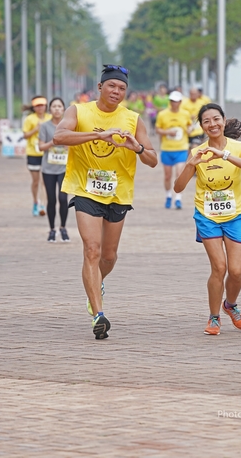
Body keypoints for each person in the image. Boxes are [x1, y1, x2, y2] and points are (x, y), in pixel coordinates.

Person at [54, 64, 157, 340]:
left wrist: (137, 147)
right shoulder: (79, 111)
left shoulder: (133, 119)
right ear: (100, 87)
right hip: (86, 190)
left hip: (118, 193)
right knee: (92, 249)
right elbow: (59, 136)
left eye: (122, 88)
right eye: (112, 85)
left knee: (108, 257)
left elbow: (152, 160)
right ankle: (98, 315)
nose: (116, 91)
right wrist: (97, 134)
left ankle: (96, 285)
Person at [174, 103, 241, 335]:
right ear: (201, 126)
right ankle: (214, 317)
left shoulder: (239, 147)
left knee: (236, 272)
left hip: (235, 216)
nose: (212, 124)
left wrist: (225, 155)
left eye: (216, 119)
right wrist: (190, 165)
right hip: (207, 216)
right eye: (206, 121)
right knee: (219, 268)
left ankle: (230, 304)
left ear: (223, 120)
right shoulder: (197, 152)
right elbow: (178, 187)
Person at [38, 98, 70, 243]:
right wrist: (53, 142)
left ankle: (63, 227)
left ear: (64, 109)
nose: (57, 109)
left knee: (63, 199)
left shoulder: (69, 126)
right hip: (48, 169)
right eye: (54, 106)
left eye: (59, 106)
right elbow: (41, 147)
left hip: (64, 167)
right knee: (51, 199)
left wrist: (67, 144)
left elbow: (74, 145)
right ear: (50, 109)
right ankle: (52, 229)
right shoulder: (45, 126)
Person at [155, 90, 192, 209]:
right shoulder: (162, 114)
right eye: (171, 101)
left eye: (176, 101)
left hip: (181, 148)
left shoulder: (185, 114)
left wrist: (189, 130)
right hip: (167, 148)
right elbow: (158, 129)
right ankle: (168, 196)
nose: (173, 103)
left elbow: (189, 125)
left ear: (180, 102)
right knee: (167, 175)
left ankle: (178, 198)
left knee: (179, 174)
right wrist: (167, 132)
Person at [22, 96, 51, 217]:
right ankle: (35, 202)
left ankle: (42, 205)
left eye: (42, 105)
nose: (40, 108)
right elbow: (25, 135)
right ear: (34, 107)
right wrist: (36, 129)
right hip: (33, 153)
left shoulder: (50, 118)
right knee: (36, 182)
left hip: (47, 153)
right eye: (37, 106)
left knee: (44, 181)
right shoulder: (29, 119)